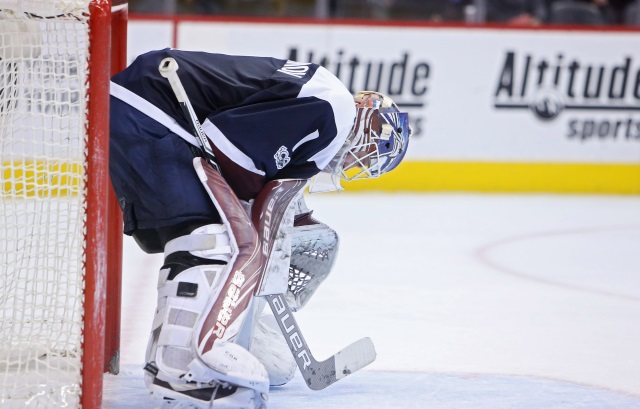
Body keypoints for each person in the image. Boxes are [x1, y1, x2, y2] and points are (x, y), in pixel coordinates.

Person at [109, 48, 411, 408]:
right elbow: (228, 145)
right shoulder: (335, 111)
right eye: (367, 152)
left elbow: (248, 157)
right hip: (149, 109)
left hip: (146, 108)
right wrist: (257, 227)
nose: (352, 162)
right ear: (365, 122)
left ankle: (171, 362)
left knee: (209, 240)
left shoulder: (324, 104)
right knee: (215, 243)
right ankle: (183, 372)